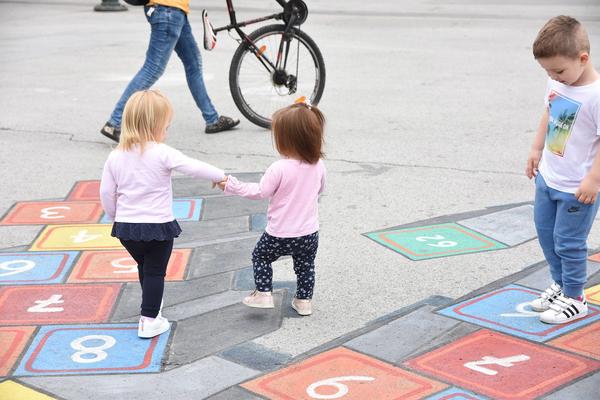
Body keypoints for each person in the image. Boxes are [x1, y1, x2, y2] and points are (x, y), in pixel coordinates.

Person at [100, 89, 226, 337]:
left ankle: (151, 309)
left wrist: (115, 217)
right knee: (155, 271)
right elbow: (193, 167)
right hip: (157, 226)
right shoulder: (162, 152)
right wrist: (220, 175)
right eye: (166, 126)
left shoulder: (115, 156)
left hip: (127, 228)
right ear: (156, 126)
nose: (166, 132)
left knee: (145, 266)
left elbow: (106, 192)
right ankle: (149, 320)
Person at [217, 103, 326, 316]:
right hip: (309, 233)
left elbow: (260, 191)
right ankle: (304, 301)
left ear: (285, 140)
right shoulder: (319, 165)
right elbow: (320, 189)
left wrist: (231, 185)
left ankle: (264, 293)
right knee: (305, 266)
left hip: (280, 233)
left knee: (261, 256)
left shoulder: (279, 168)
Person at [526, 16, 600, 324]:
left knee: (569, 242)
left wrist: (593, 179)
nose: (553, 76)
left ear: (583, 59)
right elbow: (549, 111)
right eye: (547, 71)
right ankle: (560, 284)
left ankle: (575, 297)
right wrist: (536, 149)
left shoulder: (596, 95)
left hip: (577, 188)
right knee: (547, 236)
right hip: (549, 177)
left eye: (558, 70)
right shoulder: (558, 82)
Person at [100, 0, 239, 142]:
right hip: (168, 11)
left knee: (193, 64)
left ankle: (212, 119)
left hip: (175, 10)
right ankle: (114, 122)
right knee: (153, 69)